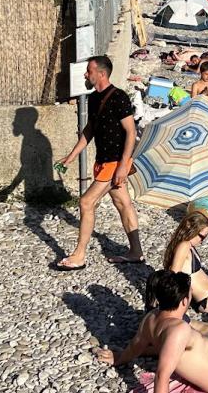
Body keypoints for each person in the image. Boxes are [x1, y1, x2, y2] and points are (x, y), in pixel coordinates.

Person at [53, 56, 145, 270]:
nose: (86, 74)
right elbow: (89, 131)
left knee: (86, 202)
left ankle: (79, 255)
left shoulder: (119, 97)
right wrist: (71, 155)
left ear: (101, 74)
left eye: (89, 71)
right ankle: (136, 252)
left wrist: (123, 165)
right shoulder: (93, 99)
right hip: (102, 161)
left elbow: (131, 132)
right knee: (123, 203)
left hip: (115, 162)